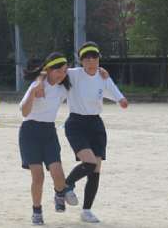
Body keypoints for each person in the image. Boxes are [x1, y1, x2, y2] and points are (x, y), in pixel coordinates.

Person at [64, 42, 128, 223]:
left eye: (94, 57)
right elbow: (54, 72)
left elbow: (115, 92)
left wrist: (121, 100)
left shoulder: (103, 76)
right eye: (87, 58)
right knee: (90, 163)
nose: (91, 60)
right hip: (76, 123)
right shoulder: (73, 74)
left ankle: (86, 210)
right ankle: (65, 185)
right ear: (81, 60)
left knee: (96, 170)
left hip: (96, 125)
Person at [19, 53, 78, 225]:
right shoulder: (37, 85)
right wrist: (35, 90)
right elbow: (24, 112)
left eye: (64, 71)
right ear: (49, 70)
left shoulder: (63, 88)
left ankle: (59, 193)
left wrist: (101, 71)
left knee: (58, 174)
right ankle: (37, 211)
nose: (62, 75)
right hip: (30, 132)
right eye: (58, 71)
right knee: (38, 176)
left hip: (49, 132)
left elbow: (82, 73)